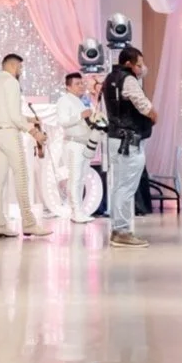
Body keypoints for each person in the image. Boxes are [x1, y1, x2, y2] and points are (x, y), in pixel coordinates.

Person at [0, 54, 50, 238]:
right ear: (14, 66)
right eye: (20, 68)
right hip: (9, 133)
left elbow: (6, 112)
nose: (21, 71)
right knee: (21, 178)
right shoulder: (12, 83)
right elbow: (14, 117)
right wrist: (34, 131)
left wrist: (29, 119)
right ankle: (29, 223)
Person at [102, 45, 157, 249]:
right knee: (126, 187)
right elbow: (144, 105)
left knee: (118, 186)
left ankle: (118, 228)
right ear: (128, 64)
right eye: (139, 65)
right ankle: (122, 231)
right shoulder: (128, 80)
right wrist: (153, 115)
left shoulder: (109, 79)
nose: (141, 68)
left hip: (115, 138)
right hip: (129, 139)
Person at [56, 73, 94, 224]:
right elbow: (63, 121)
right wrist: (81, 115)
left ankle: (79, 210)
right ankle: (76, 212)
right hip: (73, 143)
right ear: (68, 86)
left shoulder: (79, 101)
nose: (81, 86)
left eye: (82, 83)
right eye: (77, 83)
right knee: (75, 178)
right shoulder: (64, 101)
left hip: (83, 143)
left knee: (81, 178)